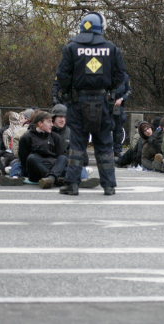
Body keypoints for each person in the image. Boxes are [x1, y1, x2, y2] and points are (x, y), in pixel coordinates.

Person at [56, 12, 126, 196]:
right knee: (104, 143)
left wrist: (69, 90)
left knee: (77, 144)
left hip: (78, 102)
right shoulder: (112, 49)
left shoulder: (71, 48)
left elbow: (62, 76)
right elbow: (120, 76)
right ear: (100, 27)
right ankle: (109, 185)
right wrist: (107, 89)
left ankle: (72, 184)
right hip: (102, 102)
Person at [17, 111, 67, 189]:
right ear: (40, 123)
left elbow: (59, 156)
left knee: (63, 158)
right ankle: (54, 179)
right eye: (49, 122)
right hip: (36, 171)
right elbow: (23, 159)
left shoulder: (55, 137)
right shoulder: (26, 137)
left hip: (53, 168)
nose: (52, 125)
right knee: (31, 158)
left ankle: (51, 178)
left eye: (52, 122)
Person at [112, 72, 132, 158]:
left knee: (118, 130)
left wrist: (121, 99)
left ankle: (117, 151)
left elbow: (129, 90)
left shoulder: (125, 76)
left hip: (118, 107)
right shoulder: (105, 73)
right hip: (105, 106)